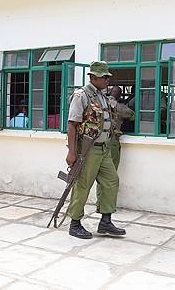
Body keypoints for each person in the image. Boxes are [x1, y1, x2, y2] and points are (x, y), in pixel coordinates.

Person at [65, 61, 125, 239]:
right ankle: (74, 223)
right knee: (83, 185)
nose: (107, 80)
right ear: (93, 77)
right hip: (87, 149)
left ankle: (106, 221)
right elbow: (72, 124)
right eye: (104, 77)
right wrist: (71, 152)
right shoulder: (81, 95)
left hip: (104, 148)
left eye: (107, 77)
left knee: (111, 180)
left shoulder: (102, 96)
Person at [107, 86, 134, 170]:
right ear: (119, 96)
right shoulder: (119, 107)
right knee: (112, 170)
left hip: (97, 140)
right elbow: (133, 116)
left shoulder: (100, 102)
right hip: (112, 140)